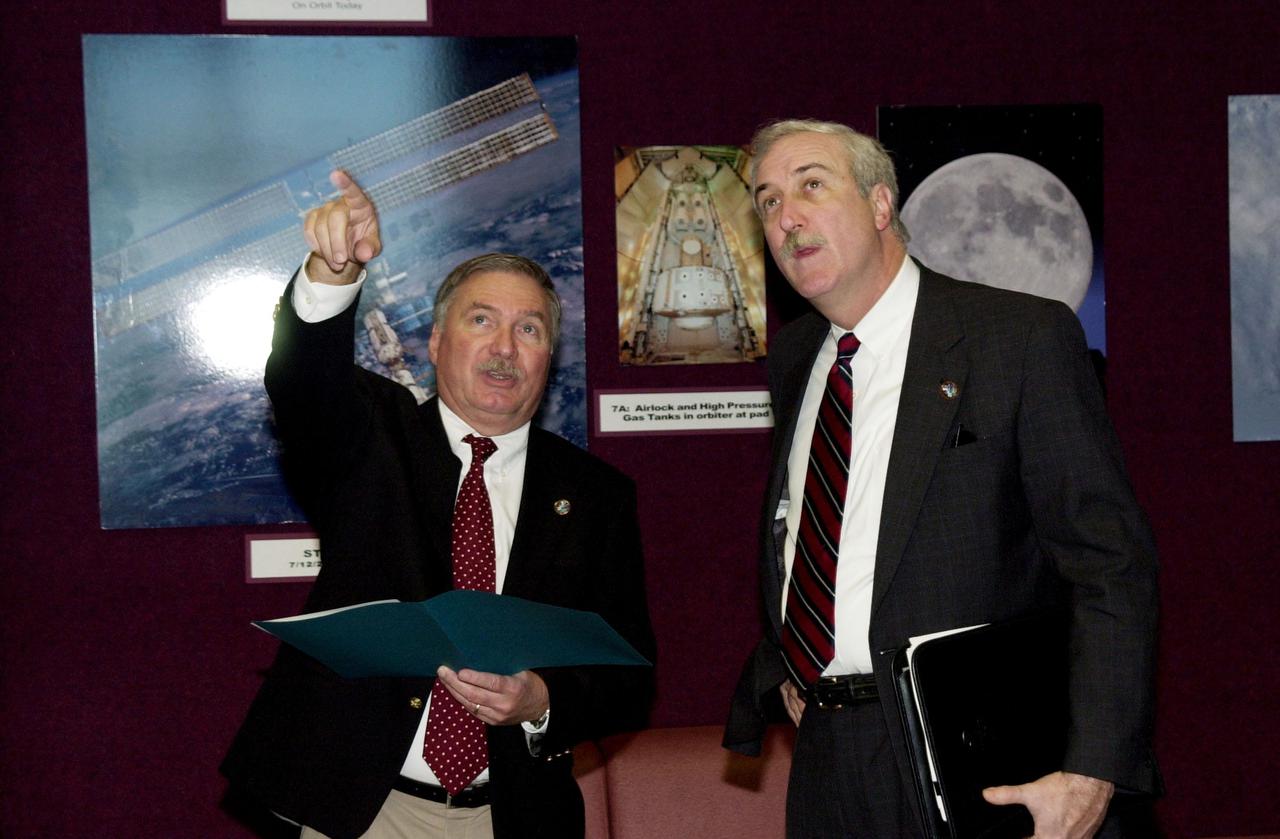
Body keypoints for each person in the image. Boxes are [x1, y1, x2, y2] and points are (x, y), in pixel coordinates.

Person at [723, 120, 1161, 838]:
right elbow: (816, 530)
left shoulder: (1017, 338)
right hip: (830, 765)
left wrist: (1094, 768)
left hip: (985, 763)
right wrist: (786, 664)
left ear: (880, 204)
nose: (786, 216)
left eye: (810, 185)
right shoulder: (798, 356)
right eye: (768, 201)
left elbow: (1109, 564)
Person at [222, 170, 655, 839]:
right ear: (433, 343)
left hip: (513, 815)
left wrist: (543, 699)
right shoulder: (377, 438)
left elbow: (627, 671)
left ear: (550, 355)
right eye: (481, 320)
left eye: (530, 328)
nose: (504, 348)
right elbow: (305, 385)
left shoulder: (595, 495)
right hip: (363, 809)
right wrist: (332, 274)